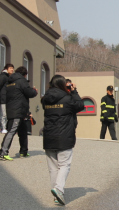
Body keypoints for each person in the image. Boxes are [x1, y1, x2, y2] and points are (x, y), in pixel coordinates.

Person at [42, 74, 84, 205]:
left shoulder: (45, 100)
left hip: (49, 137)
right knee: (64, 165)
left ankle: (57, 195)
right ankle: (58, 190)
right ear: (62, 84)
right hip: (64, 137)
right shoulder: (67, 98)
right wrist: (73, 91)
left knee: (53, 168)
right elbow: (80, 106)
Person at [0, 66, 37, 161]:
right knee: (11, 131)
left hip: (13, 109)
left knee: (23, 131)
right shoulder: (22, 81)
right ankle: (3, 153)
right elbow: (29, 92)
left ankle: (23, 151)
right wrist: (34, 91)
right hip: (18, 110)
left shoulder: (9, 81)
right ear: (25, 74)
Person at [0, 63, 14, 134]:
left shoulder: (8, 77)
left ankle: (5, 128)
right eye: (11, 68)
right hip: (3, 98)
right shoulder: (3, 76)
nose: (12, 70)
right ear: (6, 69)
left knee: (5, 113)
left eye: (12, 68)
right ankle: (3, 128)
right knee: (4, 114)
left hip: (7, 98)